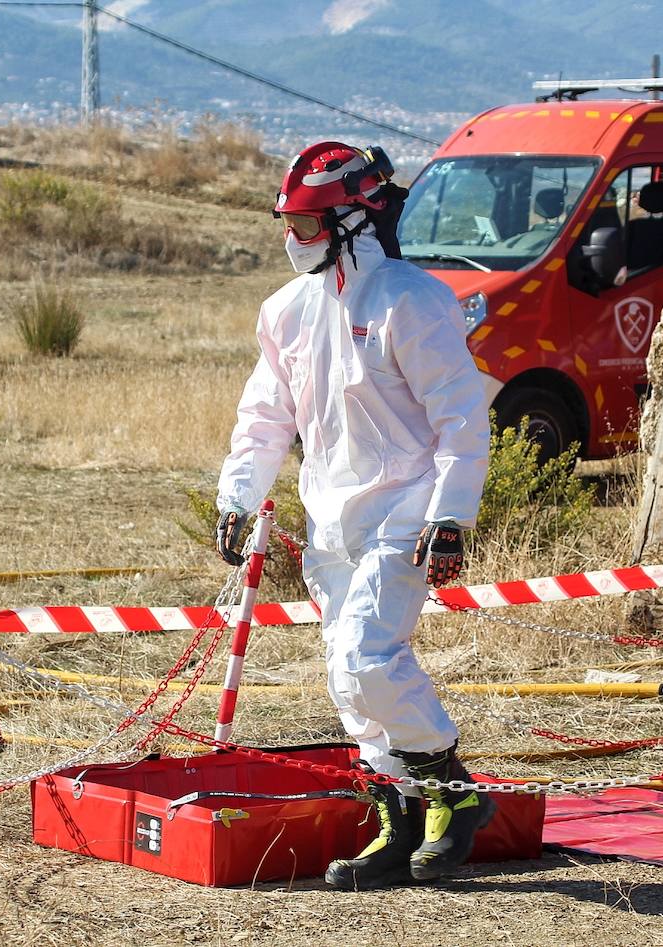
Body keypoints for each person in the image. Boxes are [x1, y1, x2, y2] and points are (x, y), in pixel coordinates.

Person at [214, 141, 493, 890]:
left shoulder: (412, 301)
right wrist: (238, 495)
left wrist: (450, 515)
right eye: (288, 224)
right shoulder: (287, 312)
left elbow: (464, 420)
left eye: (305, 225)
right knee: (346, 678)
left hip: (408, 508)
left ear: (350, 220)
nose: (291, 240)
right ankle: (398, 822)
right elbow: (264, 418)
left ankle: (455, 793)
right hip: (331, 517)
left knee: (369, 657)